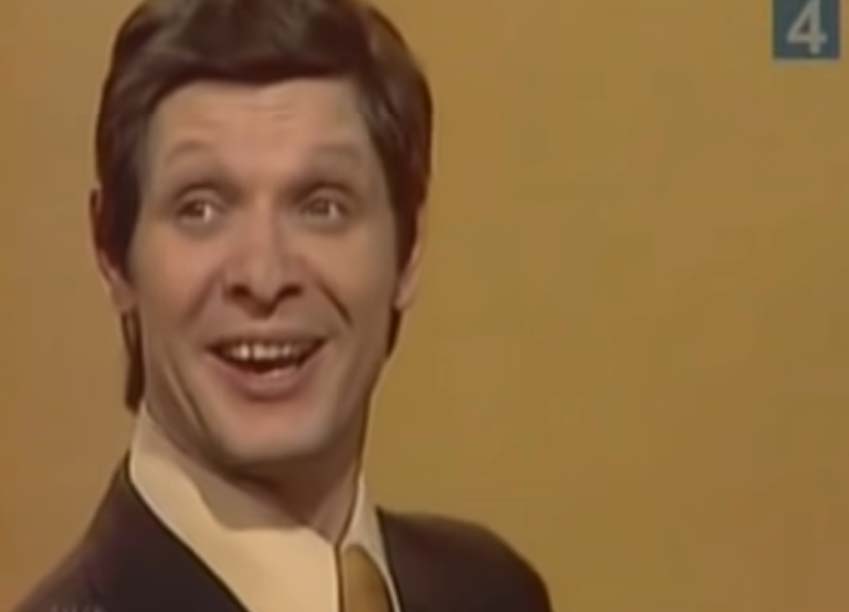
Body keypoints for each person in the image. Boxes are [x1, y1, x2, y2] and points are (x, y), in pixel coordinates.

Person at [15, 0, 552, 610]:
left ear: (409, 250)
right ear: (112, 254)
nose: (264, 277)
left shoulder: (491, 591)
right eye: (200, 208)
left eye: (322, 206)